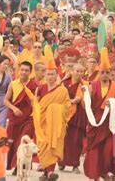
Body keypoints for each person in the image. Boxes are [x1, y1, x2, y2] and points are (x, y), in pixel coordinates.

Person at [83, 48, 115, 180]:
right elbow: (86, 105)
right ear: (99, 73)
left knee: (108, 150)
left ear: (110, 73)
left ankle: (106, 171)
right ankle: (95, 173)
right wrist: (86, 96)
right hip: (95, 123)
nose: (105, 75)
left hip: (109, 123)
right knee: (95, 150)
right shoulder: (92, 86)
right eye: (102, 72)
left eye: (107, 73)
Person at [33, 47, 70, 180]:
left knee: (53, 147)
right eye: (48, 74)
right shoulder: (40, 88)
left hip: (56, 125)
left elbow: (67, 107)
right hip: (42, 124)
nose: (50, 76)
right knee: (43, 147)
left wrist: (55, 109)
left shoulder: (62, 90)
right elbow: (36, 105)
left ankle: (49, 172)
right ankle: (45, 171)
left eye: (52, 74)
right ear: (44, 75)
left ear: (56, 75)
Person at [4, 61, 38, 173]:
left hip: (28, 118)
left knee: (23, 141)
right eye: (22, 69)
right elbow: (6, 100)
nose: (23, 72)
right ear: (19, 70)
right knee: (13, 142)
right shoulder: (13, 84)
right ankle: (15, 165)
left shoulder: (34, 86)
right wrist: (14, 108)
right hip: (15, 117)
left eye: (26, 70)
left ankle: (20, 166)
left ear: (30, 72)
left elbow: (37, 103)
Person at [58, 63, 88, 173]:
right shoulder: (64, 83)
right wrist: (70, 101)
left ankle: (75, 164)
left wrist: (82, 98)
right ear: (72, 71)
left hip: (78, 115)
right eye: (77, 71)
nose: (79, 74)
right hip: (65, 114)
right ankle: (61, 162)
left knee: (76, 140)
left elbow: (87, 102)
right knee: (64, 140)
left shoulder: (85, 85)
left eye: (81, 71)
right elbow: (59, 97)